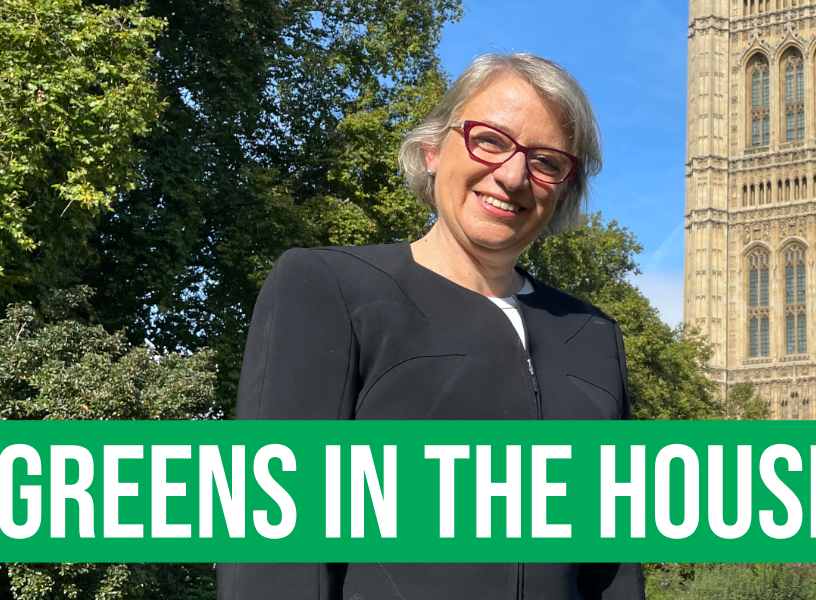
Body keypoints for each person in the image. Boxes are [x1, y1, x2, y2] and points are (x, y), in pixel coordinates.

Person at [218, 52, 642, 600]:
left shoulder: (591, 335)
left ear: (565, 187)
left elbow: (613, 565)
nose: (513, 176)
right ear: (434, 149)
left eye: (545, 161)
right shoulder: (330, 287)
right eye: (489, 140)